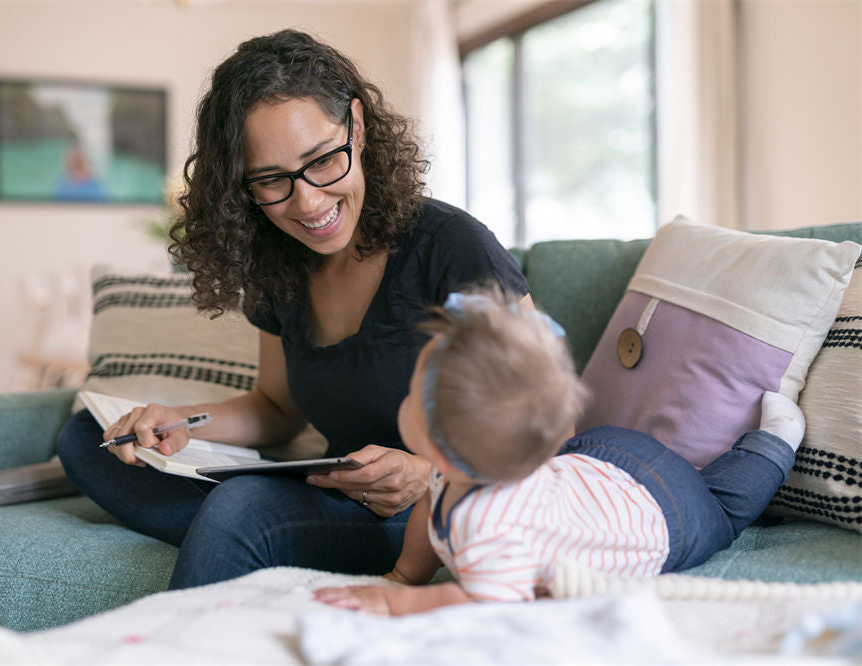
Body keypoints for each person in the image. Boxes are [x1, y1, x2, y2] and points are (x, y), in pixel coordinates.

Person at [56, 29, 529, 589]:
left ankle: (245, 538)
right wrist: (178, 421)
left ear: (356, 126)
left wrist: (428, 475)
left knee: (241, 509)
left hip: (421, 516)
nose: (307, 202)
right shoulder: (280, 262)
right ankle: (257, 542)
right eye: (271, 180)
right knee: (92, 437)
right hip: (328, 497)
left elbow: (546, 423)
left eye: (323, 160)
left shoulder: (453, 247)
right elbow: (277, 408)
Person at [313, 289, 805, 615]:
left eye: (411, 394)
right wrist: (404, 575)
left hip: (665, 511)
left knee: (725, 507)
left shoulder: (489, 522)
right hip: (599, 454)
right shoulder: (451, 474)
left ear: (441, 446)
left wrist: (395, 602)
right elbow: (429, 511)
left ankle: (775, 442)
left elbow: (483, 606)